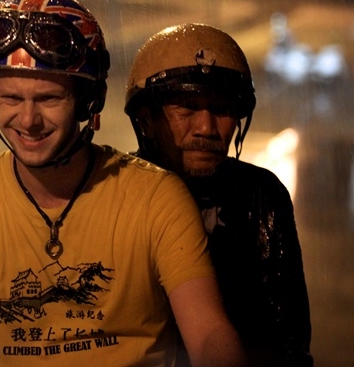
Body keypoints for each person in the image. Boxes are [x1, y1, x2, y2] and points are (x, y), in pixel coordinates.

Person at [0, 0, 245, 367]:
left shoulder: (155, 197)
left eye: (48, 99)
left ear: (87, 102)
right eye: (11, 98)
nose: (28, 120)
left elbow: (208, 333)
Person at [124, 23, 313, 366]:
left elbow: (287, 338)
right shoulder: (116, 192)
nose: (207, 128)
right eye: (186, 108)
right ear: (146, 119)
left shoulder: (260, 194)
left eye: (222, 109)